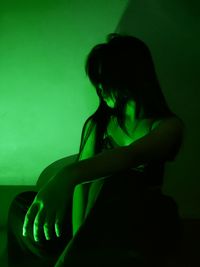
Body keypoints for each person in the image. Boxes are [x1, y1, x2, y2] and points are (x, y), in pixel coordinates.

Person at [7, 33, 184, 267]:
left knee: (117, 181)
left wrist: (66, 175)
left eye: (106, 80)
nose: (101, 89)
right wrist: (76, 239)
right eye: (97, 82)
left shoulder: (167, 126)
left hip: (134, 223)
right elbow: (83, 188)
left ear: (130, 77)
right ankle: (74, 254)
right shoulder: (98, 123)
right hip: (88, 229)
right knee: (23, 205)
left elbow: (129, 156)